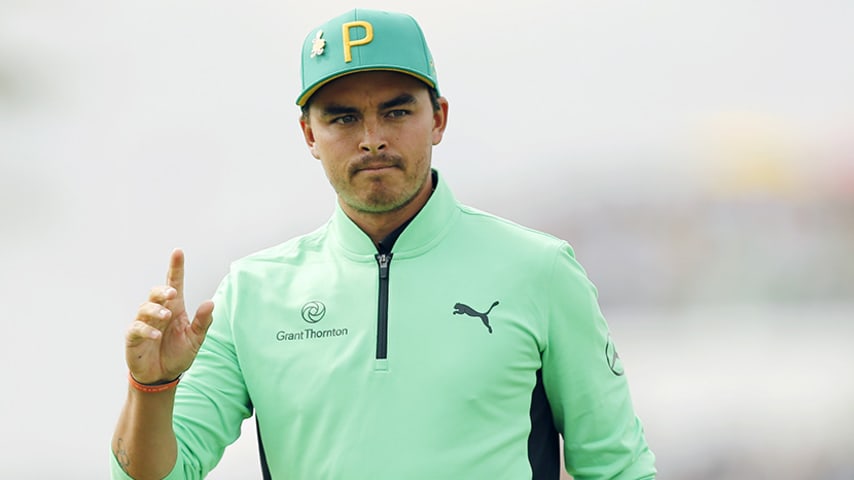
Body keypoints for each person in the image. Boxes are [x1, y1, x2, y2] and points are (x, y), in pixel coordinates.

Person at [110, 8, 656, 480]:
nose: (372, 137)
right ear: (309, 136)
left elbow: (616, 466)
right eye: (343, 117)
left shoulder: (540, 270)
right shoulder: (252, 292)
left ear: (438, 118)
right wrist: (150, 388)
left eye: (396, 111)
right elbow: (160, 473)